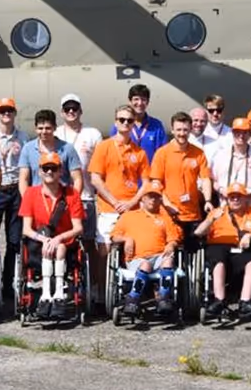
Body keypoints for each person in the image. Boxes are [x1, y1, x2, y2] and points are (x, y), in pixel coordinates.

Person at [88, 105, 149, 306]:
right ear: (115, 122)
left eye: (129, 121)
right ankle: (100, 293)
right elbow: (96, 178)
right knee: (103, 251)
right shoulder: (104, 147)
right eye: (122, 120)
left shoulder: (139, 152)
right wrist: (114, 201)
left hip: (131, 209)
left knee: (134, 250)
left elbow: (146, 183)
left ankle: (132, 293)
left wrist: (131, 202)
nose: (125, 123)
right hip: (108, 208)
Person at [19, 151, 85, 319]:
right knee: (50, 247)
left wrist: (58, 238)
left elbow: (78, 228)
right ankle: (46, 295)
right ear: (39, 171)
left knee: (60, 247)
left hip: (65, 242)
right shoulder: (31, 193)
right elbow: (26, 229)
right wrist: (44, 240)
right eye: (45, 168)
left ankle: (57, 295)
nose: (49, 172)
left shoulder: (72, 194)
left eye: (53, 168)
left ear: (60, 171)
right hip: (39, 242)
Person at [194, 183, 251, 319]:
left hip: (242, 247)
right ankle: (219, 301)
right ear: (227, 200)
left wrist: (250, 236)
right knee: (219, 260)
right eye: (232, 197)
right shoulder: (217, 212)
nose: (235, 199)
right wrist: (211, 220)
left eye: (239, 196)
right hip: (219, 246)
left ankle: (245, 302)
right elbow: (198, 232)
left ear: (245, 198)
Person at [110, 180, 183, 316]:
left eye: (156, 196)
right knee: (146, 265)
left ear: (160, 199)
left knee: (168, 260)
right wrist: (126, 239)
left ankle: (163, 297)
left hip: (159, 257)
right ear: (143, 198)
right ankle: (132, 298)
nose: (153, 200)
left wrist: (171, 244)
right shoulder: (128, 216)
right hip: (137, 259)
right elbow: (114, 236)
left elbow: (174, 238)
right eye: (150, 196)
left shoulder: (165, 218)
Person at [0, 97, 28, 304]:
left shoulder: (23, 137)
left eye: (9, 110)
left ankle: (8, 283)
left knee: (14, 240)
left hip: (16, 189)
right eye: (2, 111)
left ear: (15, 113)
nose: (6, 114)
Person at [151, 112, 213, 245]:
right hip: (169, 213)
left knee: (193, 249)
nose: (182, 133)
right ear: (172, 130)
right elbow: (156, 183)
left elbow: (205, 178)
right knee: (171, 249)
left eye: (185, 130)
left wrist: (207, 200)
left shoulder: (198, 153)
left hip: (192, 213)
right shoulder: (162, 153)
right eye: (178, 130)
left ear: (190, 130)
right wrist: (167, 205)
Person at [55, 94, 103, 243]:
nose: (71, 111)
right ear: (62, 112)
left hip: (85, 197)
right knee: (63, 240)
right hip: (59, 198)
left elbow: (100, 166)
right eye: (67, 108)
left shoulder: (93, 133)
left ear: (80, 111)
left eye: (74, 108)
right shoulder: (55, 133)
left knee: (88, 241)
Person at [18, 109, 83, 195]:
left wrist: (73, 200)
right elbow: (23, 179)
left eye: (48, 128)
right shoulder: (28, 149)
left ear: (55, 128)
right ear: (35, 128)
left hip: (62, 199)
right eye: (40, 128)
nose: (44, 132)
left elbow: (77, 179)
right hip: (37, 199)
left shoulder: (68, 149)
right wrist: (27, 200)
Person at [208, 117, 251, 198]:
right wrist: (221, 190)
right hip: (225, 202)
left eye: (245, 132)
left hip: (248, 203)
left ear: (249, 134)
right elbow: (213, 180)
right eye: (237, 132)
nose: (241, 136)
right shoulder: (220, 155)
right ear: (232, 133)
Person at [107, 84, 167, 161]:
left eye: (143, 99)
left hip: (149, 168)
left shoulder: (156, 126)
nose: (140, 103)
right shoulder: (120, 124)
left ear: (148, 102)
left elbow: (163, 154)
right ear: (130, 101)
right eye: (136, 99)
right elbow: (113, 152)